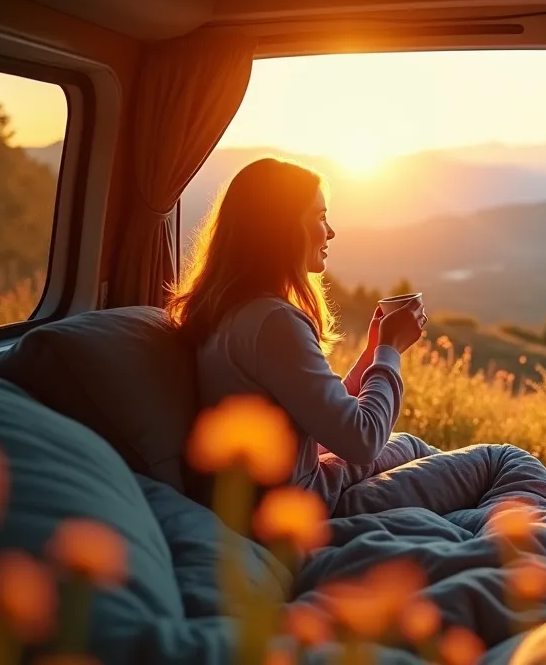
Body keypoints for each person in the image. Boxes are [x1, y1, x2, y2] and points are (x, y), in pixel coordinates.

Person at [168, 157, 430, 516]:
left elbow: (324, 416)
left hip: (273, 496)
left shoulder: (230, 310)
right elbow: (362, 439)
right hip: (301, 504)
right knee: (502, 460)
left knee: (412, 446)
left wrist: (370, 352)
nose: (331, 231)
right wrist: (389, 350)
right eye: (321, 216)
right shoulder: (273, 322)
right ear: (284, 228)